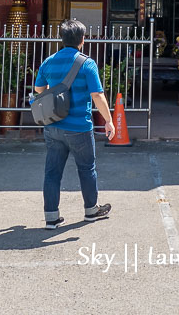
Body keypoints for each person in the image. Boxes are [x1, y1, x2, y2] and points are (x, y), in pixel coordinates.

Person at [32, 18, 114, 229]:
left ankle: (51, 217)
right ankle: (90, 211)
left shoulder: (48, 61)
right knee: (87, 169)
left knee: (52, 173)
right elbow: (97, 95)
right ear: (82, 40)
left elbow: (39, 90)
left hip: (53, 126)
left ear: (62, 38)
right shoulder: (87, 63)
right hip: (79, 128)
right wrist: (109, 121)